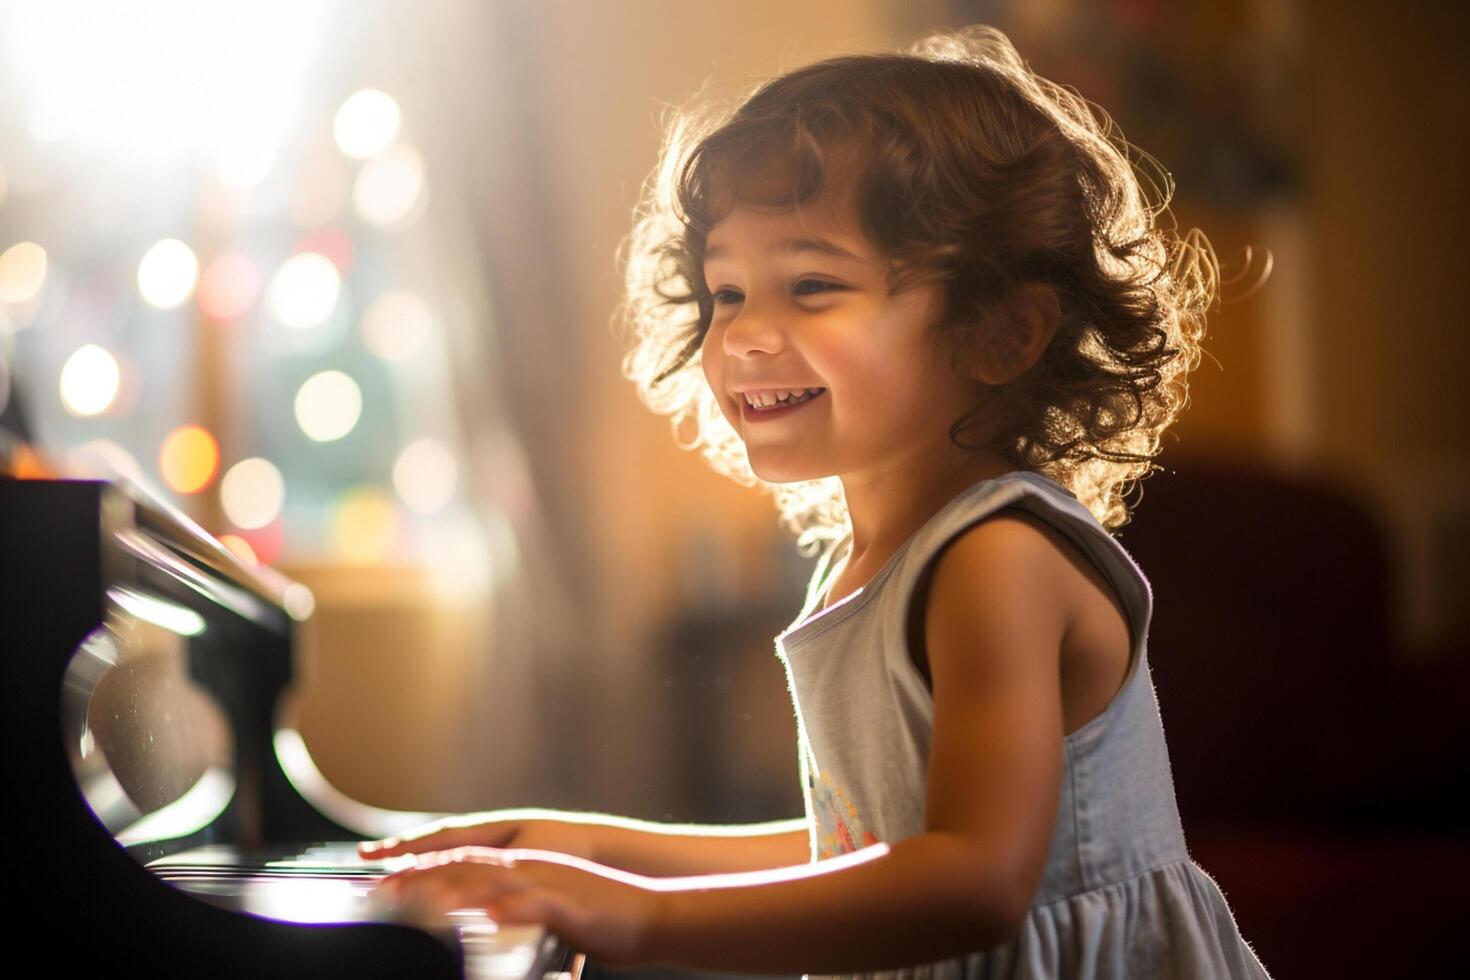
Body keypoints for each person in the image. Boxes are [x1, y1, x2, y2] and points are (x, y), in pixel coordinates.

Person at [362, 24, 1274, 979]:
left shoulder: (996, 560)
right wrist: (581, 848)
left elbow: (973, 882)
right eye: (726, 291)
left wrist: (633, 917)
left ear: (998, 331)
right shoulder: (874, 559)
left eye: (810, 285)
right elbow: (864, 849)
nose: (745, 335)